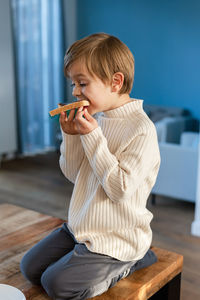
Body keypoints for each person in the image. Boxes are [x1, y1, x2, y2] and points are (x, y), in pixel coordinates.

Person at [20, 33, 161, 300]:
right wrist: (71, 136)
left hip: (115, 238)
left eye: (82, 83)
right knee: (30, 269)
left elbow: (119, 189)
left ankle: (132, 261)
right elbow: (75, 175)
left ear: (115, 82)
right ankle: (84, 256)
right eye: (73, 83)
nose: (74, 92)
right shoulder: (98, 119)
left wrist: (92, 136)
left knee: (56, 284)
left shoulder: (141, 130)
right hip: (81, 228)